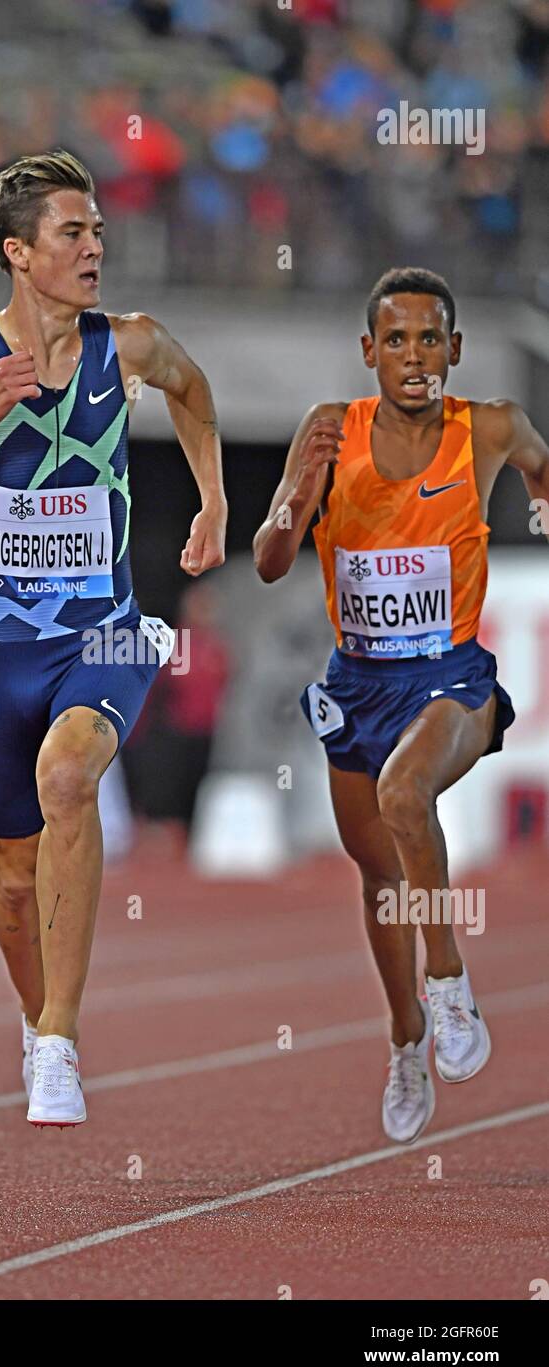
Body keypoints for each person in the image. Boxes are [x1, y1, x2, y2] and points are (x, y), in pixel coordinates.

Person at [0, 150, 226, 1126]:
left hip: (102, 634)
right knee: (12, 885)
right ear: (20, 253)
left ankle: (59, 1038)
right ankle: (37, 1022)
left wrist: (214, 501)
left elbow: (192, 388)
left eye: (98, 229)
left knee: (68, 778)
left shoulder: (129, 345)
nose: (95, 246)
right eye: (74, 232)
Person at [253, 266, 549, 1144]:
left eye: (430, 340)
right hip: (357, 685)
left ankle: (450, 983)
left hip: (451, 677)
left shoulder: (487, 426)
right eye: (397, 340)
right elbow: (271, 562)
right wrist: (290, 509)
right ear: (368, 352)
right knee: (379, 875)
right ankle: (405, 1037)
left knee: (403, 794)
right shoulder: (325, 432)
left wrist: (539, 504)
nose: (414, 357)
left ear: (454, 350)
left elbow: (540, 462)